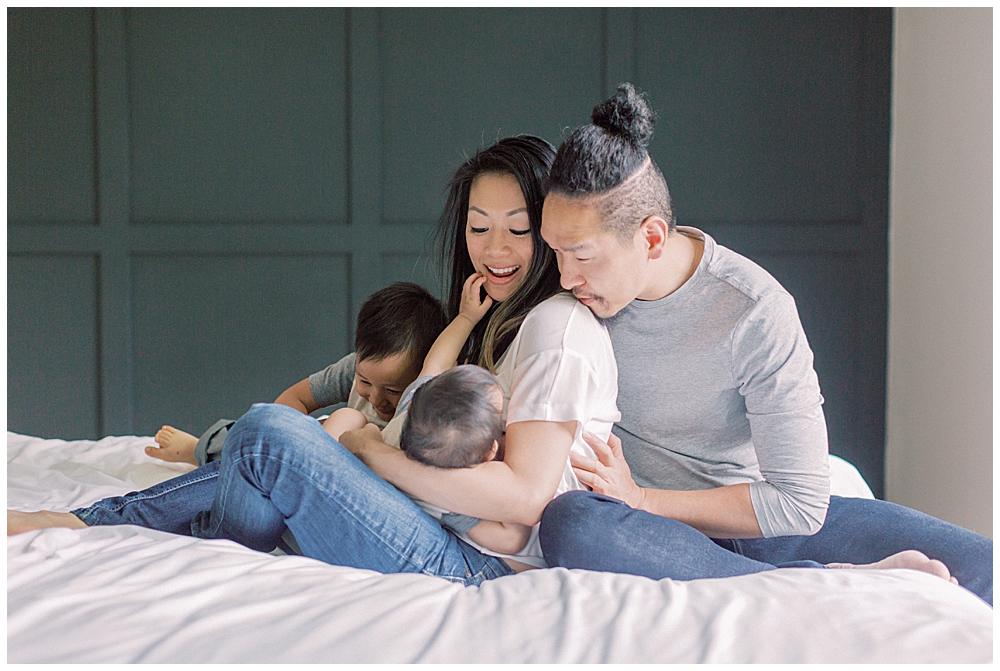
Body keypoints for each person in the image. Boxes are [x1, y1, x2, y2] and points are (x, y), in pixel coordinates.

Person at [9, 134, 621, 584]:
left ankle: (90, 523)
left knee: (270, 433)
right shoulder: (493, 319)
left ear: (549, 228)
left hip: (475, 560)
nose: (494, 250)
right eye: (478, 227)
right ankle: (164, 532)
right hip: (440, 522)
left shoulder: (555, 328)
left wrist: (370, 453)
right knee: (263, 466)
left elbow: (525, 499)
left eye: (517, 229)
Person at [534, 83, 992, 604]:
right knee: (571, 525)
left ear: (653, 238)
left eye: (582, 255)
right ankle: (830, 583)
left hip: (760, 525)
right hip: (652, 538)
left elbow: (799, 503)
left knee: (987, 568)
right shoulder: (566, 299)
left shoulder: (753, 308)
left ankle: (793, 579)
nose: (565, 275)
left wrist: (642, 498)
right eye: (554, 251)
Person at [326, 272, 532, 556]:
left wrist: (466, 317)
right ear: (488, 454)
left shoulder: (413, 406)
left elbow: (438, 359)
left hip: (359, 473)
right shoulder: (451, 501)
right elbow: (513, 539)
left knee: (348, 419)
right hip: (373, 512)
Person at [145, 282, 447, 466]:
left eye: (393, 390)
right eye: (365, 381)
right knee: (259, 435)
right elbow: (295, 398)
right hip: (314, 454)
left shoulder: (426, 397)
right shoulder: (351, 368)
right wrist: (299, 436)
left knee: (349, 421)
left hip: (365, 472)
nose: (375, 397)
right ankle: (199, 449)